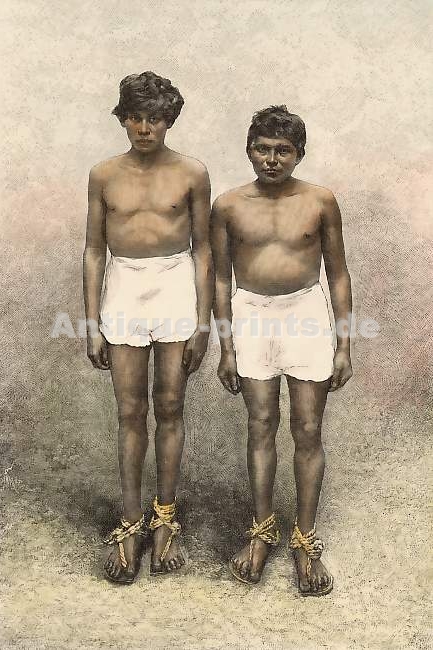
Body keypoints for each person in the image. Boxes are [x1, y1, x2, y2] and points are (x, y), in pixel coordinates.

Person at [211, 105, 352, 596]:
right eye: (262, 149)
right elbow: (220, 278)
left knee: (308, 428)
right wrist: (226, 347)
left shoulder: (320, 200)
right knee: (261, 424)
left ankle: (305, 540)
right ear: (249, 150)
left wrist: (343, 343)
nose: (272, 159)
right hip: (250, 314)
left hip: (306, 312)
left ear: (299, 154)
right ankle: (262, 530)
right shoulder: (228, 205)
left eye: (283, 151)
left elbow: (338, 273)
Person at [83, 71, 213, 583]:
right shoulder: (103, 174)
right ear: (122, 118)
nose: (144, 128)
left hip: (175, 283)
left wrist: (203, 323)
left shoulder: (192, 172)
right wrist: (92, 323)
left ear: (169, 120)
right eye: (135, 117)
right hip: (123, 286)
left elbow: (204, 249)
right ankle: (130, 521)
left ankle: (165, 519)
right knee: (130, 410)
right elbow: (94, 250)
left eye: (154, 118)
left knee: (171, 405)